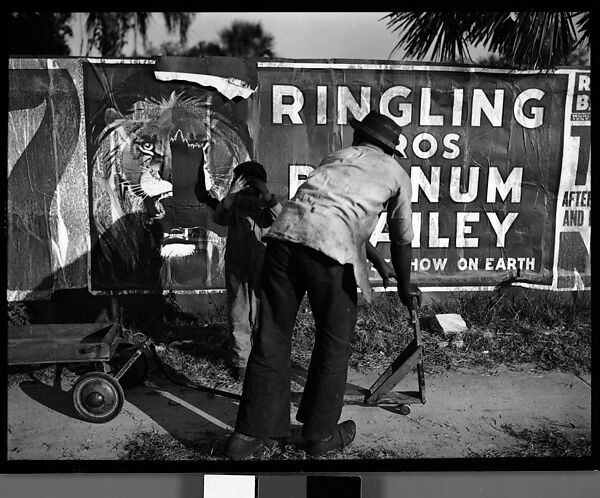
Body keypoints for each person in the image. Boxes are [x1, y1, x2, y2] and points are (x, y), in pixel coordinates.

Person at [225, 110, 416, 460]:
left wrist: (374, 258)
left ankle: (248, 436)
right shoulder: (396, 174)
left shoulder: (337, 159)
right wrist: (405, 286)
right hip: (330, 255)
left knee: (271, 336)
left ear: (360, 138)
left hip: (283, 241)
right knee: (333, 344)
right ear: (390, 149)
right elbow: (402, 241)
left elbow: (325, 213)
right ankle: (319, 435)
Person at [212, 161, 281, 382]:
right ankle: (241, 362)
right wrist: (232, 195)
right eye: (245, 186)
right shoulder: (234, 209)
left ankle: (261, 358)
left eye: (253, 186)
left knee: (263, 314)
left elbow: (285, 221)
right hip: (238, 267)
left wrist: (265, 193)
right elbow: (218, 218)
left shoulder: (267, 208)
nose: (249, 193)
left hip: (263, 268)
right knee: (238, 313)